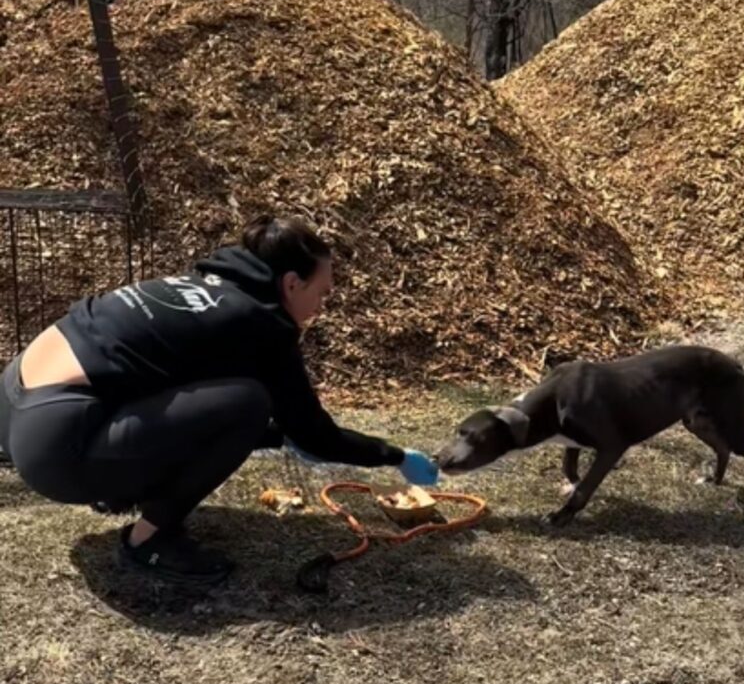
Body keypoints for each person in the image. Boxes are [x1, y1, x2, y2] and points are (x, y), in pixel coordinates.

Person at [0, 214, 438, 590]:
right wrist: (394, 455)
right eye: (321, 293)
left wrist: (279, 434)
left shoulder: (207, 292)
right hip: (60, 450)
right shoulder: (263, 322)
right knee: (247, 403)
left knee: (237, 408)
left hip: (17, 405)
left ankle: (118, 484)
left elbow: (186, 405)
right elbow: (313, 434)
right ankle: (148, 540)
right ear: (291, 283)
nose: (321, 307)